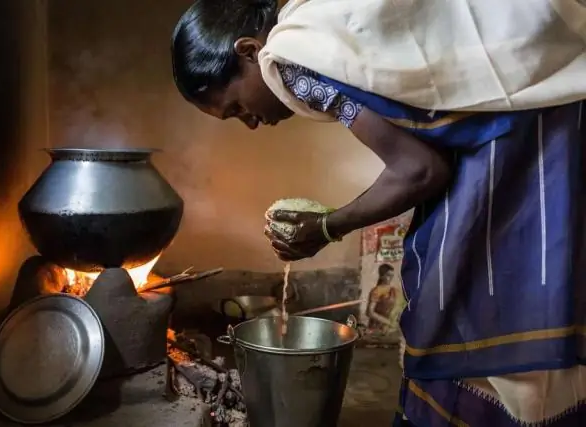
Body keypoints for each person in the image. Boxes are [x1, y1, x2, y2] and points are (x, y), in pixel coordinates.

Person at [171, 0, 586, 425]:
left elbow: (420, 170)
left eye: (237, 107)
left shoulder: (289, 58)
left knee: (470, 307)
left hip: (526, 147)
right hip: (550, 117)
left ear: (248, 51)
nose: (251, 123)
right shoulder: (320, 16)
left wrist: (328, 226)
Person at [366, 263, 397, 334]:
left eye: (392, 276)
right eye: (388, 275)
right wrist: (388, 322)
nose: (390, 278)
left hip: (388, 328)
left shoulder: (393, 290)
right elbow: (370, 312)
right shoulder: (376, 291)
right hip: (375, 328)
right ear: (382, 276)